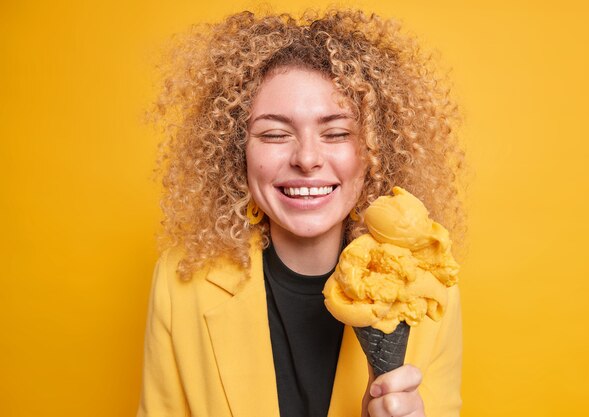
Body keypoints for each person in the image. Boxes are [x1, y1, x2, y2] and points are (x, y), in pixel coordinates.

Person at [138, 9, 465, 417]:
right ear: (235, 151)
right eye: (274, 134)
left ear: (375, 151)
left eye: (337, 133)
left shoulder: (430, 290)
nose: (307, 159)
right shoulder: (180, 282)